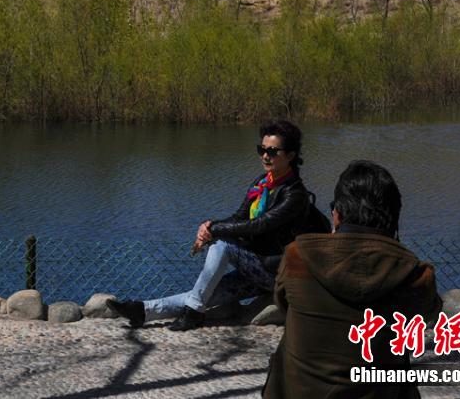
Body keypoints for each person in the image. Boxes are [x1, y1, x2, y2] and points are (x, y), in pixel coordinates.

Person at [108, 120, 315, 331]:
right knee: (202, 294)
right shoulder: (262, 183)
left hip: (276, 273)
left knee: (222, 244)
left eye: (272, 151)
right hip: (256, 265)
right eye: (261, 149)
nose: (265, 156)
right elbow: (239, 217)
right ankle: (142, 310)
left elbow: (259, 225)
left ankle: (193, 314)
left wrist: (215, 230)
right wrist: (208, 226)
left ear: (290, 155)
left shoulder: (294, 194)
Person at [263, 160, 441, 399]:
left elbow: (283, 302)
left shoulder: (298, 258)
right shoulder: (414, 276)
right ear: (394, 220)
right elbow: (430, 312)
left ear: (337, 214)